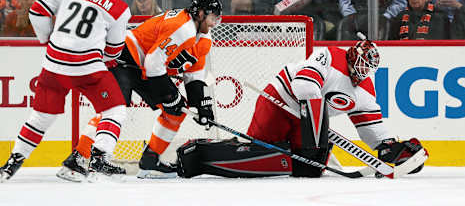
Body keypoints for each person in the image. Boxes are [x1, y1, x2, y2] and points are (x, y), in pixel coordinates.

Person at [175, 38, 427, 178]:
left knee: (309, 170)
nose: (362, 70)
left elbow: (372, 130)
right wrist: (316, 124)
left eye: (367, 67)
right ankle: (199, 154)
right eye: (360, 63)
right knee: (256, 155)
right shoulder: (330, 56)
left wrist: (389, 149)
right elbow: (304, 84)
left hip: (308, 121)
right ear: (352, 56)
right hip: (280, 102)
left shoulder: (365, 92)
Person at [56, 0, 222, 181]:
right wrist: (171, 96)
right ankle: (80, 160)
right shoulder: (183, 28)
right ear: (200, 14)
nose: (214, 22)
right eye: (212, 16)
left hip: (142, 66)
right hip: (124, 57)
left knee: (175, 113)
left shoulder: (203, 40)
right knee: (113, 108)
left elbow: (193, 77)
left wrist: (202, 107)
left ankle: (150, 162)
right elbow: (153, 63)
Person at [0, 0, 131, 181]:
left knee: (40, 117)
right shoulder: (120, 9)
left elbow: (37, 11)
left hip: (53, 64)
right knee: (115, 109)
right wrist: (103, 57)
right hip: (87, 67)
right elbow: (114, 50)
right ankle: (99, 159)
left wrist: (47, 39)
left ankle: (11, 164)